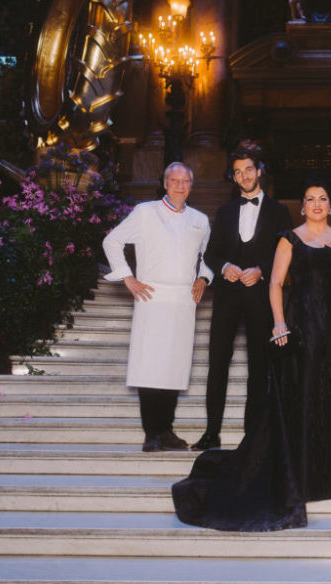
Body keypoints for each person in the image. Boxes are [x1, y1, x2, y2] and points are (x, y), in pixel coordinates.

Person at [172, 176, 331, 531]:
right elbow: (274, 283)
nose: (317, 203)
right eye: (310, 199)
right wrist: (278, 324)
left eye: (322, 198)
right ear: (302, 207)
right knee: (300, 399)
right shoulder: (290, 239)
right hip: (302, 326)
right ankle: (300, 470)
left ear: (330, 206)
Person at [101, 162, 212, 452]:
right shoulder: (145, 212)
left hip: (184, 300)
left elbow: (207, 256)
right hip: (152, 297)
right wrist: (127, 277)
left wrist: (204, 277)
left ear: (191, 185)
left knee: (174, 367)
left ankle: (167, 431)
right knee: (151, 366)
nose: (179, 185)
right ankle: (151, 433)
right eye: (174, 180)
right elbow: (112, 241)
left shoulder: (200, 219)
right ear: (164, 183)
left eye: (185, 181)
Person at [190, 148, 293, 451]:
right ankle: (212, 432)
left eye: (248, 169)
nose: (244, 176)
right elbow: (211, 252)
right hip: (227, 297)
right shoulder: (224, 212)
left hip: (262, 296)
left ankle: (254, 435)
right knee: (218, 362)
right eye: (238, 172)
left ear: (259, 170)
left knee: (260, 366)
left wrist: (261, 270)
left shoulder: (279, 211)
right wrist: (224, 267)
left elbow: (284, 252)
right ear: (233, 177)